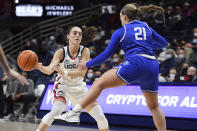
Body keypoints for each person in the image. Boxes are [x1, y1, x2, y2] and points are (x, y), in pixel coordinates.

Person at [56, 4, 168, 131]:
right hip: (152, 64)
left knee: (99, 82)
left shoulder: (121, 31)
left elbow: (106, 55)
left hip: (136, 62)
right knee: (154, 107)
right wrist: (146, 44)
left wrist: (87, 64)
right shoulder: (147, 27)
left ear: (124, 16)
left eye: (120, 16)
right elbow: (163, 43)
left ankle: (74, 113)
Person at [35, 26, 109, 131]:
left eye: (80, 33)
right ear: (68, 36)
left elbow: (82, 73)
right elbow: (50, 70)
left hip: (79, 89)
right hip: (63, 86)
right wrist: (39, 67)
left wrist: (64, 72)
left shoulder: (85, 51)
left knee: (100, 116)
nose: (78, 35)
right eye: (74, 33)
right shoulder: (60, 52)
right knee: (56, 111)